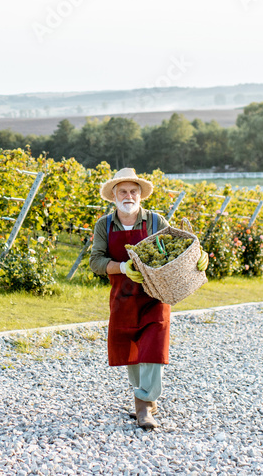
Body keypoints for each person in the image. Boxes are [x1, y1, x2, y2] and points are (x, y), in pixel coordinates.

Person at [89, 167, 170, 430]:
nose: (128, 195)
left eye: (133, 191)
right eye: (122, 191)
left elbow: (174, 252)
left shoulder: (156, 222)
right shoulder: (104, 225)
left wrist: (196, 259)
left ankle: (144, 404)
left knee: (153, 347)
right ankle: (141, 394)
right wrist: (123, 268)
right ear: (113, 195)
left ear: (140, 195)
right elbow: (96, 262)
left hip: (155, 295)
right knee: (132, 349)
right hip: (123, 296)